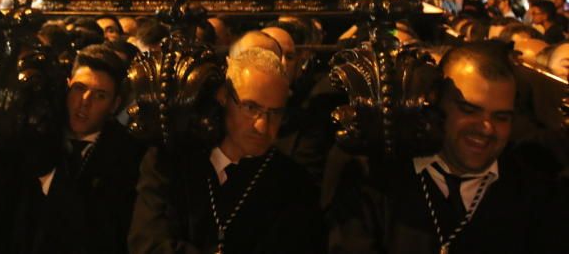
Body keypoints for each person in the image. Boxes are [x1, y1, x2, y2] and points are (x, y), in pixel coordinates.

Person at [326, 41, 567, 253]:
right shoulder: (374, 179)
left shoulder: (534, 192)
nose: (486, 128)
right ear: (436, 103)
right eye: (469, 110)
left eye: (501, 117)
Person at [130, 47, 323, 253]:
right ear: (223, 97)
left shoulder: (295, 184)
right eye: (251, 108)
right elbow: (147, 244)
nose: (262, 127)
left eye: (274, 113)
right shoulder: (170, 161)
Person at [13, 45, 145, 254]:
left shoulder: (129, 153)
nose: (85, 102)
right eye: (79, 88)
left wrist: (50, 179)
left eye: (100, 96)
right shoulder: (39, 135)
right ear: (67, 87)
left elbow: (106, 231)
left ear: (115, 104)